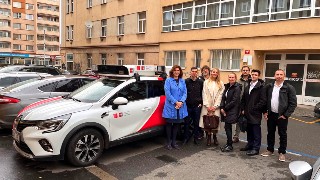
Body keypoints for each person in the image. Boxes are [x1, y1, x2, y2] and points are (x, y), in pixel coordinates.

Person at [261, 69, 297, 162]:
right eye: (277, 74)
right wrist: (265, 112)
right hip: (271, 114)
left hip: (282, 116)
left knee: (282, 134)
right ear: (274, 76)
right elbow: (265, 100)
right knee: (270, 133)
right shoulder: (269, 86)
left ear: (284, 76)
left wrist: (286, 115)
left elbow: (293, 103)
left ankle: (282, 152)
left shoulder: (289, 88)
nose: (279, 76)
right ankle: (270, 150)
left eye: (281, 74)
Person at [240, 69, 265, 156]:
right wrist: (243, 109)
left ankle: (256, 148)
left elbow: (262, 101)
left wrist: (254, 109)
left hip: (255, 113)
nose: (253, 76)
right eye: (253, 74)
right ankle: (249, 145)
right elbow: (243, 99)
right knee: (249, 130)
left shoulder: (261, 87)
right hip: (247, 113)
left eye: (255, 75)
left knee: (256, 132)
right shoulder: (248, 86)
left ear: (258, 76)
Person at [162, 65, 188, 150]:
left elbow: (185, 93)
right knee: (169, 125)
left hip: (180, 106)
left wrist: (181, 102)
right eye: (175, 70)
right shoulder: (168, 80)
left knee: (177, 125)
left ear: (180, 72)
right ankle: (168, 143)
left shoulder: (182, 81)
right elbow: (167, 93)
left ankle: (174, 142)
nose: (177, 72)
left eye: (178, 70)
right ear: (172, 71)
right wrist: (176, 102)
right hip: (171, 106)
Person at [200, 68, 224, 146]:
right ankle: (209, 137)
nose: (214, 73)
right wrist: (207, 106)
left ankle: (215, 137)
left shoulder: (221, 83)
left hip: (215, 106)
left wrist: (215, 106)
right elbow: (204, 94)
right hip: (207, 105)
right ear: (211, 72)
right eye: (213, 72)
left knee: (215, 121)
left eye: (216, 72)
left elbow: (220, 95)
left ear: (218, 74)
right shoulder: (206, 82)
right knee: (207, 121)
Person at [220, 73, 241, 152]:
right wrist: (222, 107)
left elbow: (234, 101)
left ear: (235, 78)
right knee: (227, 127)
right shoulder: (227, 86)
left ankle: (230, 145)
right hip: (226, 109)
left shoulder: (237, 88)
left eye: (233, 77)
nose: (231, 78)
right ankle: (228, 143)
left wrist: (225, 108)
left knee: (228, 127)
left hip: (232, 110)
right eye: (230, 77)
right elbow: (223, 98)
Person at [185, 67, 203, 145]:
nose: (194, 73)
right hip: (188, 106)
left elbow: (203, 93)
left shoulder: (200, 82)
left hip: (197, 106)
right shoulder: (186, 81)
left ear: (197, 73)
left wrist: (201, 103)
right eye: (193, 71)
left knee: (196, 123)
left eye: (196, 71)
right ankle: (186, 138)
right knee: (186, 123)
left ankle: (196, 138)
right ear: (190, 72)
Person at [233, 65, 251, 143]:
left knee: (249, 122)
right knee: (238, 121)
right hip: (239, 104)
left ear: (249, 71)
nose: (245, 71)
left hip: (249, 105)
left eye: (247, 70)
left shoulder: (252, 81)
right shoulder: (238, 82)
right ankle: (236, 136)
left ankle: (249, 138)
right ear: (241, 71)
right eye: (244, 70)